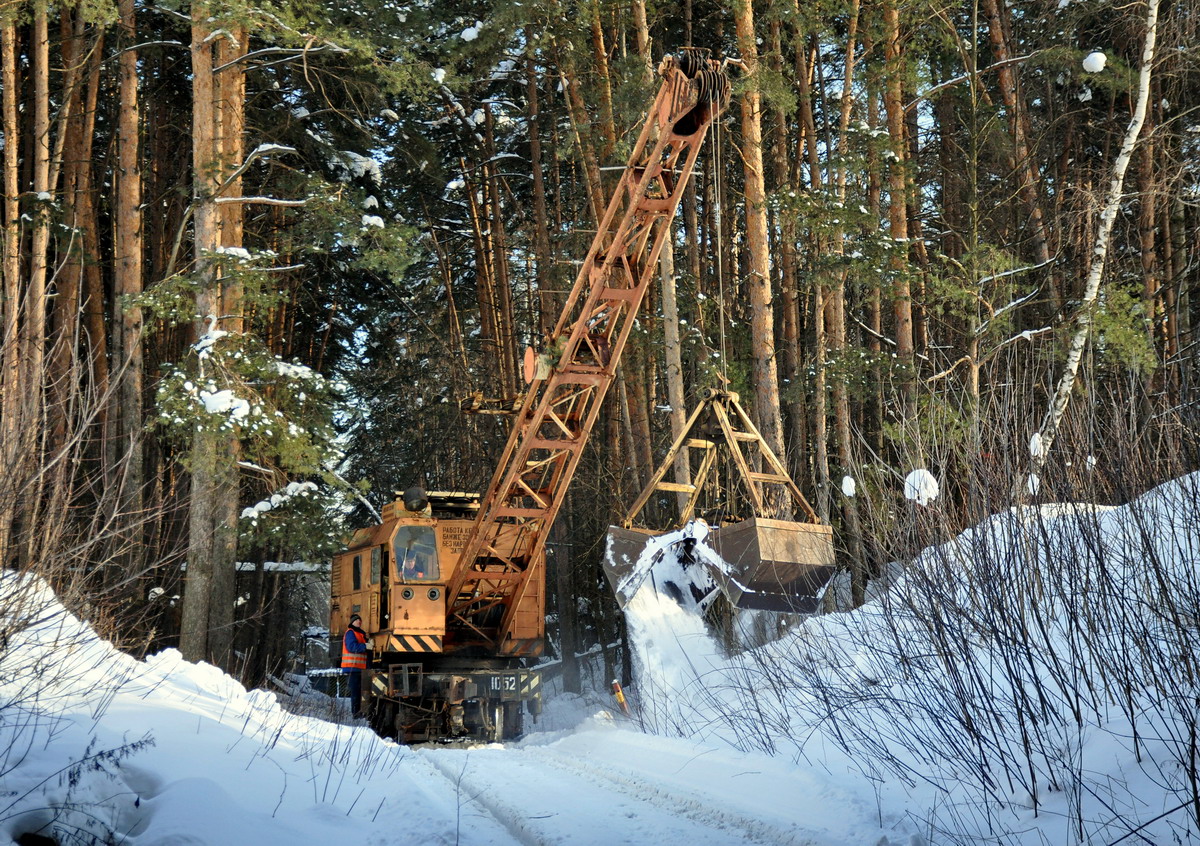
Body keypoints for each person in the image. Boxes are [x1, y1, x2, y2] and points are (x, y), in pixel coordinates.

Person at [341, 613, 368, 718]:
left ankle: (358, 711)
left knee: (359, 690)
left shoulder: (359, 633)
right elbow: (352, 647)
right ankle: (356, 713)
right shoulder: (350, 633)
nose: (359, 622)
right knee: (356, 691)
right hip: (352, 666)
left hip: (358, 667)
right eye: (357, 620)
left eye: (360, 621)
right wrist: (365, 646)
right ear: (352, 622)